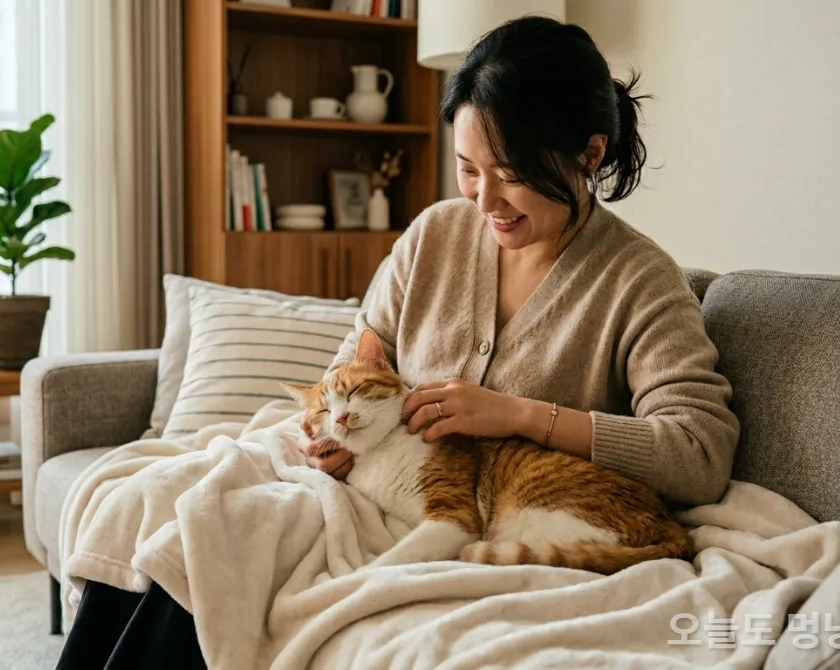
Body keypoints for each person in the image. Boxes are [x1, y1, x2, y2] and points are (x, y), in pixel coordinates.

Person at [56, 15, 739, 670]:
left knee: (231, 539)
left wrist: (521, 415)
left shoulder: (640, 281)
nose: (484, 199)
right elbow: (354, 362)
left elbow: (699, 453)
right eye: (469, 169)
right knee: (177, 508)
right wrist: (323, 435)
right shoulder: (434, 236)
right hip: (358, 480)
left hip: (456, 509)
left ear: (589, 153)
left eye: (511, 173)